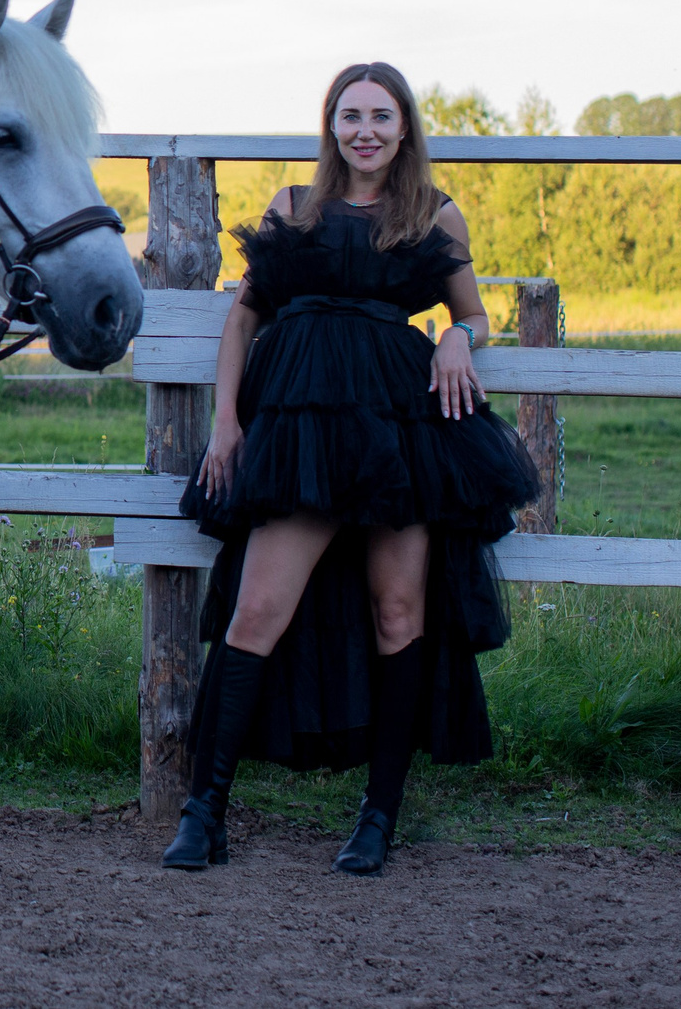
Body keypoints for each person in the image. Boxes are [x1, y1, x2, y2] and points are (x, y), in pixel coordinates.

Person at [162, 61, 540, 875]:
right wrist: (227, 423)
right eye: (349, 114)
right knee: (256, 609)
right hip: (300, 427)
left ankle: (378, 818)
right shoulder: (294, 207)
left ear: (405, 127)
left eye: (381, 114)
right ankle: (204, 812)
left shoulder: (434, 213)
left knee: (399, 611)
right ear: (331, 124)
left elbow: (474, 312)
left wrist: (454, 336)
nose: (364, 129)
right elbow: (244, 319)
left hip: (396, 431)